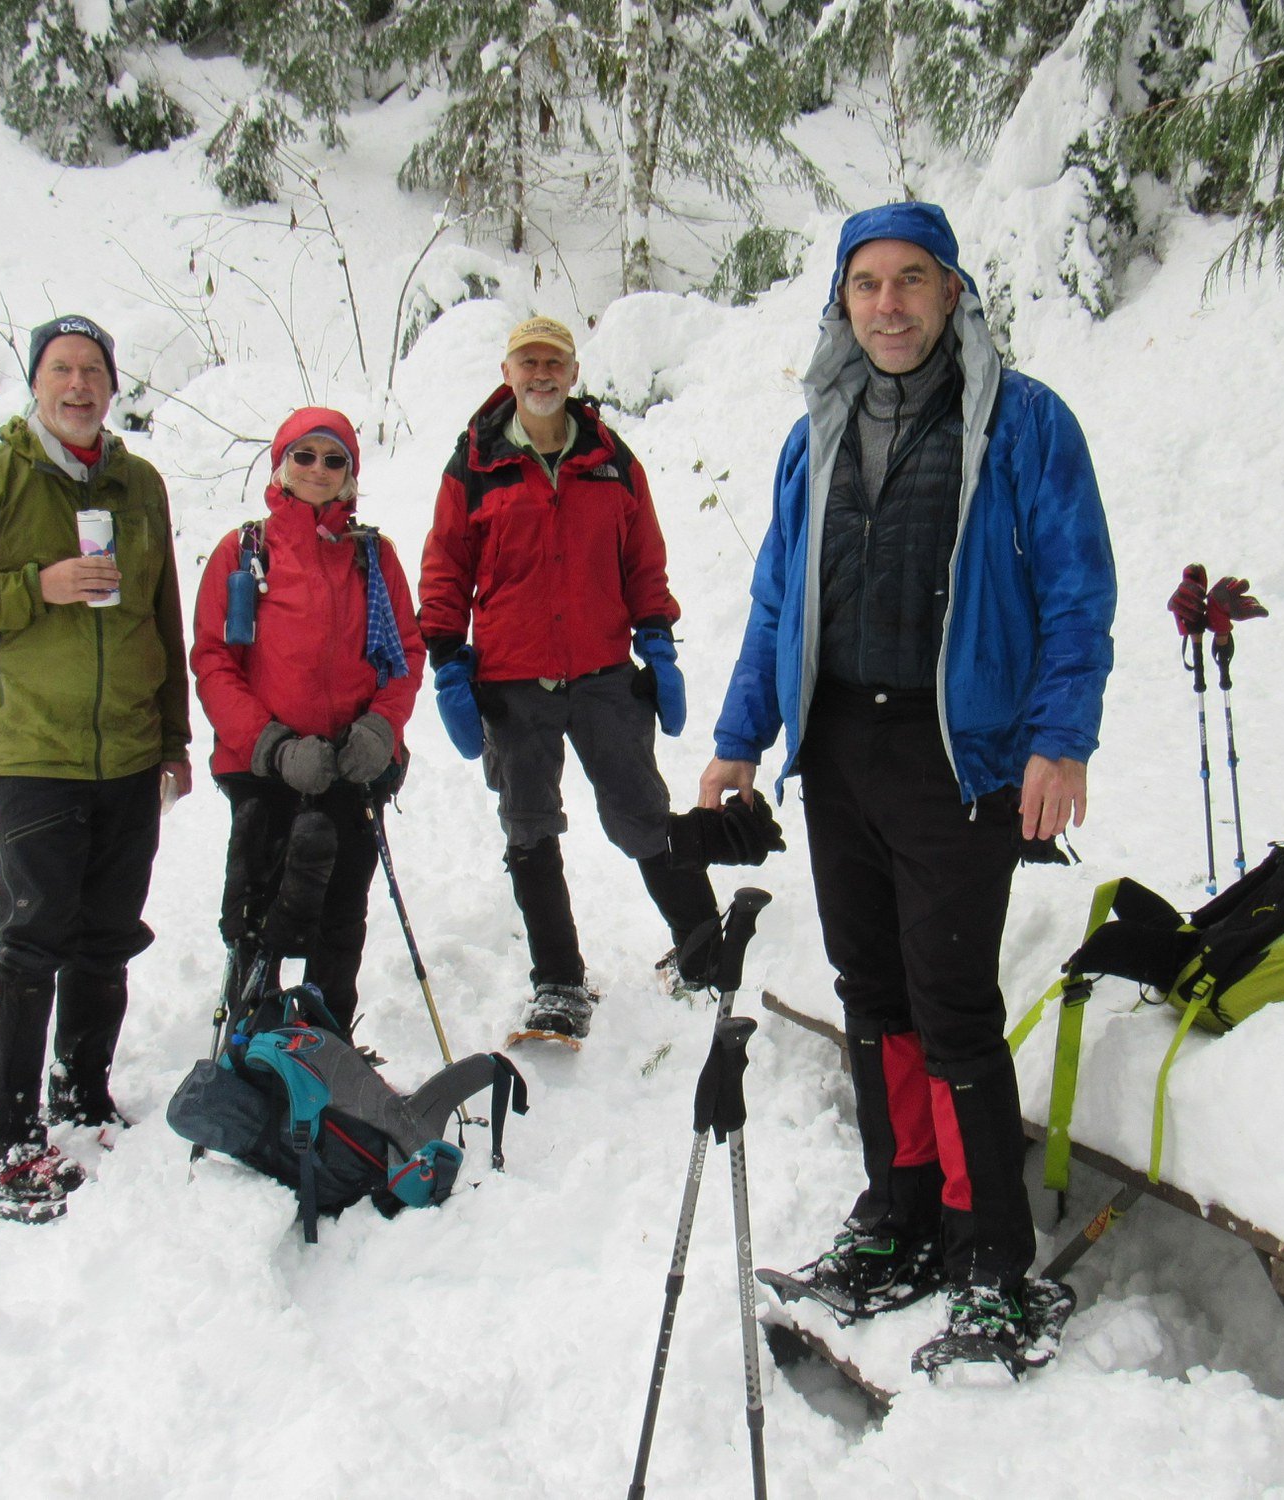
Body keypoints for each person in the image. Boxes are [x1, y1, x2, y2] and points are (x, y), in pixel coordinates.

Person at [700, 203, 1117, 1374]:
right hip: (840, 745)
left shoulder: (1022, 423)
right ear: (841, 301)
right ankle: (901, 1212)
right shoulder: (814, 435)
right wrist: (739, 737)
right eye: (866, 284)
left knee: (949, 1001)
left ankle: (989, 1259)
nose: (887, 305)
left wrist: (1058, 740)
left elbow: (1077, 592)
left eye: (910, 281)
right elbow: (778, 600)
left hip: (957, 755)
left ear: (950, 293)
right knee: (871, 991)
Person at [0, 313, 192, 1209]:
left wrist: (174, 740)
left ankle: (82, 1094)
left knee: (107, 935)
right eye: (61, 370)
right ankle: (9, 1137)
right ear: (35, 383)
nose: (78, 386)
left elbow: (163, 615)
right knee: (32, 944)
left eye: (93, 371)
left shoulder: (139, 484)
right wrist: (39, 587)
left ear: (112, 386)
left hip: (128, 751)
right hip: (34, 751)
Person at [418, 316, 720, 1045]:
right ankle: (558, 982)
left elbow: (643, 557)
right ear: (508, 372)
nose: (541, 374)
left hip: (603, 674)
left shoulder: (611, 459)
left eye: (554, 362)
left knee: (643, 813)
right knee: (529, 827)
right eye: (528, 362)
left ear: (574, 372)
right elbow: (445, 567)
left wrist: (657, 640)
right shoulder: (474, 465)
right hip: (512, 682)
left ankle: (704, 952)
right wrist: (447, 660)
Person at [190, 409, 425, 1039]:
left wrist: (381, 730)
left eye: (334, 458)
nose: (318, 469)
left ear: (350, 474)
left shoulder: (373, 556)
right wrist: (271, 745)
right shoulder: (244, 552)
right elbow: (214, 662)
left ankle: (326, 1043)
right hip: (263, 771)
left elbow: (405, 653)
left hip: (352, 765)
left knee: (341, 920)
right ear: (281, 465)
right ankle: (251, 1043)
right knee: (258, 918)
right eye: (304, 455)